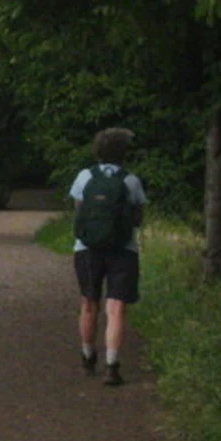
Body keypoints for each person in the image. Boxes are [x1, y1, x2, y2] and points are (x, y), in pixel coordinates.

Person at [69, 128, 147, 386]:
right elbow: (138, 218)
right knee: (116, 308)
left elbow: (79, 213)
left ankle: (87, 357)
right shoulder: (130, 181)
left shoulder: (84, 177)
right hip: (123, 250)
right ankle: (112, 365)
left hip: (86, 249)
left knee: (89, 303)